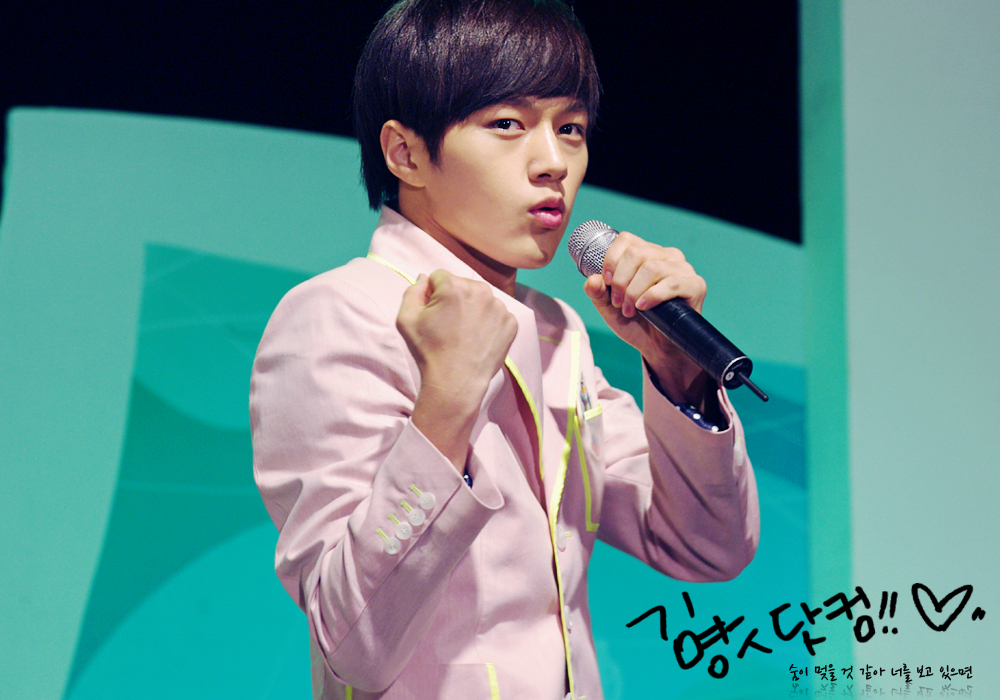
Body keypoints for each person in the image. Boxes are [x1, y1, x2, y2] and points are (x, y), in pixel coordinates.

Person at [250, 1, 759, 698]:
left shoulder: (556, 328)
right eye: (507, 125)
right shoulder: (338, 314)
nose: (553, 163)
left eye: (570, 129)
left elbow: (708, 548)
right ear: (405, 154)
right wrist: (446, 407)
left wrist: (681, 376)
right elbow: (354, 646)